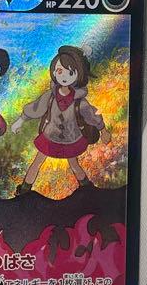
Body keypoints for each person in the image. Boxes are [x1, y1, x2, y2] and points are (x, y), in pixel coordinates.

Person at [8, 45, 109, 194]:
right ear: (54, 72)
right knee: (37, 162)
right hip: (50, 137)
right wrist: (21, 120)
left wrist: (103, 130)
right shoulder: (50, 96)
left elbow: (92, 116)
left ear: (78, 74)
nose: (64, 76)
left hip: (71, 139)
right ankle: (24, 190)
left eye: (70, 73)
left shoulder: (80, 102)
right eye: (60, 71)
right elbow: (36, 108)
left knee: (74, 164)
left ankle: (87, 190)